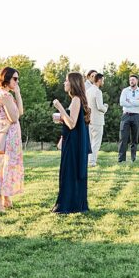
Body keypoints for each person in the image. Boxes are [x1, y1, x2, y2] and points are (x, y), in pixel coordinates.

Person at [0, 66, 24, 213]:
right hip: (7, 136)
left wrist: (18, 93)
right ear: (6, 78)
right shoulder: (5, 96)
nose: (17, 81)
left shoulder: (0, 93)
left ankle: (5, 199)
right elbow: (14, 117)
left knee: (1, 166)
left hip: (2, 133)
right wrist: (16, 95)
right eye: (14, 78)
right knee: (5, 166)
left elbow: (20, 112)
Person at [52, 71, 91, 214]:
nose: (64, 82)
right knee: (71, 172)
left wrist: (60, 107)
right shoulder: (77, 99)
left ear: (73, 83)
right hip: (74, 141)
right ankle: (75, 204)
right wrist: (62, 118)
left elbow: (72, 124)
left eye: (66, 80)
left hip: (74, 143)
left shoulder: (76, 99)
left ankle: (68, 205)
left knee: (69, 173)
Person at [118, 74, 139, 164]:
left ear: (137, 81)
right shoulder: (125, 91)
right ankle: (121, 159)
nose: (131, 81)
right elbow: (122, 102)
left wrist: (129, 100)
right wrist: (135, 101)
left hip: (136, 116)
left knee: (134, 139)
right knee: (123, 138)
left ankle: (133, 158)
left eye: (133, 80)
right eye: (130, 80)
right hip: (126, 115)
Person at [87, 71, 108, 167]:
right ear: (99, 80)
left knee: (90, 141)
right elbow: (100, 107)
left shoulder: (88, 90)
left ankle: (88, 160)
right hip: (97, 120)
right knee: (96, 142)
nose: (103, 82)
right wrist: (106, 107)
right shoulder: (98, 91)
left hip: (89, 119)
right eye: (102, 80)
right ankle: (92, 161)